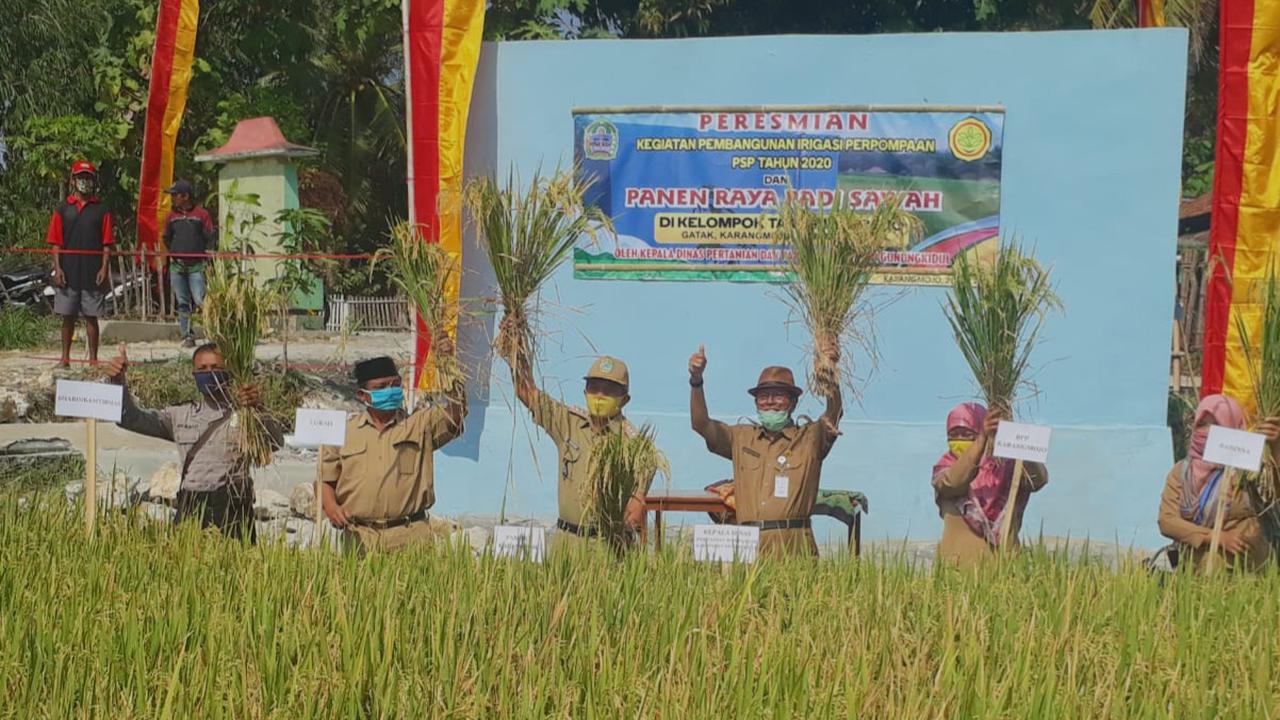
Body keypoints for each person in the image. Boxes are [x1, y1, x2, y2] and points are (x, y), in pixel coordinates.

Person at [105, 342, 282, 540]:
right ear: (194, 374)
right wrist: (118, 382)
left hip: (231, 506)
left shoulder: (245, 414)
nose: (209, 373)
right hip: (192, 504)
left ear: (229, 372)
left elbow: (275, 442)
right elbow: (130, 418)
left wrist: (258, 407)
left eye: (216, 367)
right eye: (202, 369)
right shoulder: (180, 415)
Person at [503, 321, 654, 546]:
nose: (600, 394)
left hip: (605, 546)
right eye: (594, 387)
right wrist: (515, 345)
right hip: (565, 543)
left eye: (609, 390)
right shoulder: (568, 423)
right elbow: (526, 390)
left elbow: (634, 511)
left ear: (625, 399)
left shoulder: (636, 447)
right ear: (585, 391)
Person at [688, 345, 842, 558]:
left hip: (795, 546)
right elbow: (701, 424)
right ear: (756, 402)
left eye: (778, 396)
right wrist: (696, 381)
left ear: (793, 402)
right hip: (748, 546)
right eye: (763, 396)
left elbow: (834, 413)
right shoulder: (741, 437)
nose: (769, 402)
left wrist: (829, 373)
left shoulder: (810, 438)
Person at [319, 343, 466, 553]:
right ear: (362, 395)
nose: (390, 391)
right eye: (381, 387)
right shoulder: (343, 432)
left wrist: (447, 365)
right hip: (360, 537)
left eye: (394, 384)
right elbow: (325, 480)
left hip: (411, 536)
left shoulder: (419, 425)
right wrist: (332, 508)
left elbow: (457, 413)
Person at [1157, 394, 1280, 572]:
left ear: (1233, 427)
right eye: (1202, 424)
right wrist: (1217, 537)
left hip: (1251, 563)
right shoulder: (1182, 472)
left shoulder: (1248, 469)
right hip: (1201, 568)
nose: (1208, 432)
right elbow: (1167, 521)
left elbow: (1275, 495)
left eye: (1217, 425)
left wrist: (1275, 448)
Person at [931, 402, 1048, 565]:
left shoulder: (1007, 467)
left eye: (967, 434)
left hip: (1004, 566)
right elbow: (954, 482)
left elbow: (1038, 480)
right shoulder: (944, 469)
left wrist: (1015, 439)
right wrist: (981, 439)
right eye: (954, 435)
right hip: (958, 568)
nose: (960, 439)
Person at [46, 160, 113, 367]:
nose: (85, 181)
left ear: (94, 181)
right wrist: (58, 268)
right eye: (81, 177)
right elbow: (55, 243)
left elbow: (107, 243)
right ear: (73, 180)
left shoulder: (102, 210)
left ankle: (93, 360)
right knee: (68, 316)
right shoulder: (62, 209)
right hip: (68, 271)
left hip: (93, 272)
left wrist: (104, 268)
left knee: (92, 317)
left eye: (88, 178)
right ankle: (65, 358)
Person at [162, 180, 217, 348]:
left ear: (185, 196)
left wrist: (207, 259)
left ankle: (212, 333)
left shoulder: (201, 215)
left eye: (175, 195)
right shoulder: (171, 217)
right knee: (183, 302)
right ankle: (187, 336)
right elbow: (166, 238)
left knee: (201, 300)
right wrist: (174, 253)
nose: (172, 198)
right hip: (177, 266)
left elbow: (210, 237)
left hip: (196, 266)